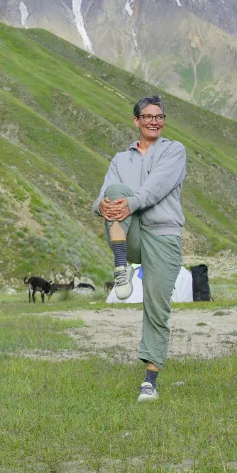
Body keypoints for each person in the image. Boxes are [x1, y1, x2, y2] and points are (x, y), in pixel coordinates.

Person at [94, 96, 187, 403]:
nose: (153, 122)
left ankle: (150, 380)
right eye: (147, 117)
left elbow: (157, 187)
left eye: (159, 117)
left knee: (157, 309)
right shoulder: (121, 159)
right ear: (136, 121)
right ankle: (121, 267)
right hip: (130, 235)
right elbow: (102, 195)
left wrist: (129, 203)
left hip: (163, 236)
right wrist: (101, 206)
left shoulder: (174, 151)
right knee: (114, 192)